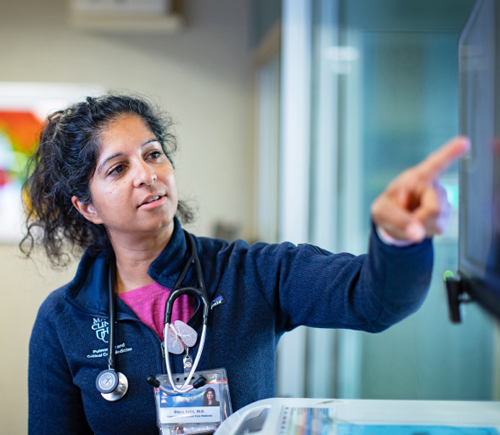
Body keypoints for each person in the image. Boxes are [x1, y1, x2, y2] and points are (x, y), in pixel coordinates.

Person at [25, 94, 469, 434]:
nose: (147, 174)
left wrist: (397, 240)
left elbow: (373, 301)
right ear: (88, 207)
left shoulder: (250, 273)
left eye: (153, 153)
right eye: (118, 169)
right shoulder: (65, 320)